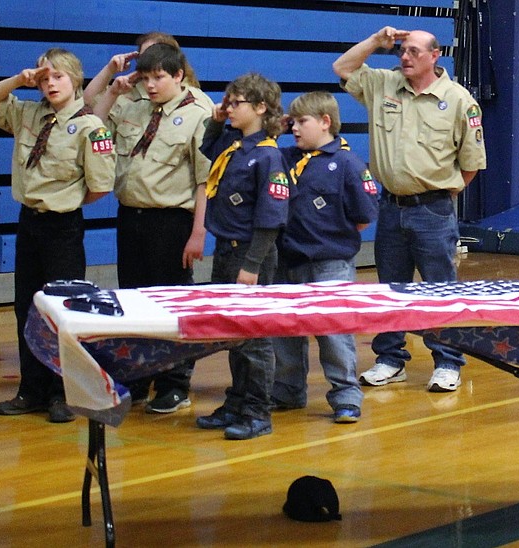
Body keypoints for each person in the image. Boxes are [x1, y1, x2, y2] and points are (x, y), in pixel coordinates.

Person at [332, 26, 487, 393]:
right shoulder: (384, 85)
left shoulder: (459, 100)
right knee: (391, 288)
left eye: (414, 51)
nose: (404, 57)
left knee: (439, 289)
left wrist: (438, 196)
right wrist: (374, 41)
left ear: (435, 56)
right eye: (402, 50)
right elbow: (342, 68)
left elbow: (472, 163)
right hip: (390, 206)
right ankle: (390, 359)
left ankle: (448, 361)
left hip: (433, 209)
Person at [0, 48, 115, 423]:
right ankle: (32, 390)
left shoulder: (91, 127)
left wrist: (64, 200)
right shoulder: (29, 113)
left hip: (62, 227)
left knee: (63, 312)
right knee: (26, 307)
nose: (50, 84)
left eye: (57, 77)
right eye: (43, 78)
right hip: (30, 224)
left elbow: (99, 187)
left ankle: (62, 392)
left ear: (76, 79)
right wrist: (19, 80)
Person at [91, 43, 215, 414]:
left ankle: (174, 384)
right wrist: (113, 89)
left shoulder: (200, 111)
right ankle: (139, 376)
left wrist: (198, 232)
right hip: (132, 216)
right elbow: (94, 122)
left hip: (172, 220)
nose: (151, 85)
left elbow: (205, 179)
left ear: (178, 75)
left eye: (159, 77)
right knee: (133, 301)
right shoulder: (133, 103)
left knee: (171, 304)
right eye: (145, 78)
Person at [270, 91, 379, 423]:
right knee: (285, 331)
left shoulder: (347, 163)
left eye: (302, 121)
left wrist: (331, 238)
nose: (296, 129)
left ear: (325, 122)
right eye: (292, 122)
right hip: (287, 260)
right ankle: (288, 391)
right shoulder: (285, 158)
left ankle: (345, 395)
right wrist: (278, 127)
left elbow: (364, 214)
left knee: (333, 332)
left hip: (329, 262)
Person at [194, 73, 290, 440]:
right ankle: (236, 401)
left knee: (256, 337)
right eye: (228, 102)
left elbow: (270, 219)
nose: (228, 108)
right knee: (235, 335)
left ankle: (257, 411)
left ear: (261, 108)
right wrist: (216, 120)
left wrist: (252, 266)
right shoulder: (234, 144)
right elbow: (207, 149)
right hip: (226, 250)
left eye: (236, 103)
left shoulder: (268, 156)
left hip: (251, 255)